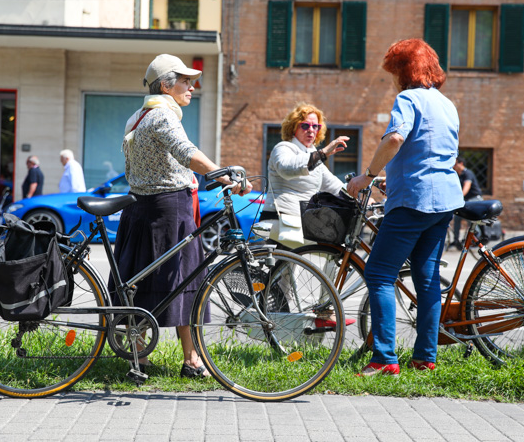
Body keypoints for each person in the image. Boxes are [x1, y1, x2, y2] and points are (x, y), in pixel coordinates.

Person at [111, 53, 252, 379]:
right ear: (165, 85)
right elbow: (186, 152)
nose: (193, 86)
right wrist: (222, 174)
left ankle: (138, 359)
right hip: (169, 211)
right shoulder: (163, 117)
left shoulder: (138, 116)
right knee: (186, 282)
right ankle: (191, 361)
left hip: (140, 209)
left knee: (139, 284)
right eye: (186, 81)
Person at [347, 38, 463, 376]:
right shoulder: (446, 104)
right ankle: (425, 357)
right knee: (426, 280)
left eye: (393, 72)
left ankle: (384, 359)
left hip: (414, 200)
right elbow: (428, 152)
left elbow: (396, 138)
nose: (392, 80)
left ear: (403, 72)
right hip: (444, 201)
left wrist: (367, 176)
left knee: (379, 273)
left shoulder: (408, 98)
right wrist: (391, 179)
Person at [260, 103, 350, 248]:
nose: (311, 130)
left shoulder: (313, 155)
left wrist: (359, 193)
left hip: (301, 221)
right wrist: (322, 153)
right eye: (305, 126)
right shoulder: (283, 147)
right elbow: (287, 168)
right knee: (329, 248)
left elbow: (334, 185)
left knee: (333, 249)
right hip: (280, 219)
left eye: (316, 126)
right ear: (293, 127)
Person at [451, 156, 483, 247]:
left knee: (470, 217)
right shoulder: (458, 175)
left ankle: (477, 237)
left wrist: (458, 197)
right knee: (457, 217)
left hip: (474, 198)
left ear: (461, 164)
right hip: (465, 199)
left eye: (455, 164)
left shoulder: (468, 173)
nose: (453, 166)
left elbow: (466, 187)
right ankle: (456, 240)